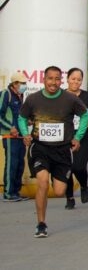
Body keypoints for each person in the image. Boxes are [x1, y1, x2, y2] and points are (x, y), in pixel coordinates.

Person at [18, 66, 88, 237]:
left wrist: (78, 137)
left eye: (57, 79)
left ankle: (57, 185)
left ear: (61, 80)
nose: (53, 82)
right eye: (50, 78)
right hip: (40, 148)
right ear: (44, 80)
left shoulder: (69, 99)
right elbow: (22, 118)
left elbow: (86, 115)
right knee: (42, 182)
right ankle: (41, 224)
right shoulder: (34, 99)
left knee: (59, 191)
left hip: (62, 150)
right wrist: (25, 134)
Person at [63, 68, 88, 209]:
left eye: (79, 79)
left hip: (83, 137)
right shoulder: (62, 95)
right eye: (73, 79)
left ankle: (84, 186)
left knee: (78, 166)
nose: (76, 82)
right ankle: (69, 197)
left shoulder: (87, 96)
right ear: (67, 79)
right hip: (65, 137)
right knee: (67, 168)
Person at [1, 72, 28, 202]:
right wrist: (10, 127)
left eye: (25, 83)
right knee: (12, 164)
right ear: (15, 84)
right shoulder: (6, 94)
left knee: (19, 164)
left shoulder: (21, 96)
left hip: (21, 136)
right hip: (10, 136)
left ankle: (16, 192)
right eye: (22, 83)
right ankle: (8, 193)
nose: (24, 85)